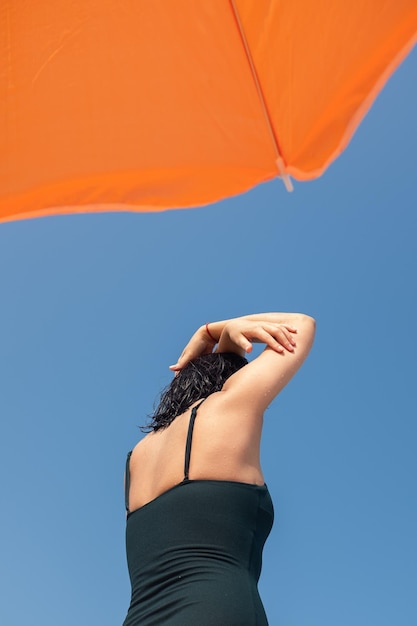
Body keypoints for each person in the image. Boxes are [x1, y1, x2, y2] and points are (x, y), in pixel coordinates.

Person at [123, 312, 316, 625]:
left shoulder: (137, 459)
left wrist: (221, 342)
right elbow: (300, 326)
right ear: (233, 381)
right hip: (216, 612)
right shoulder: (229, 407)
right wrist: (211, 331)